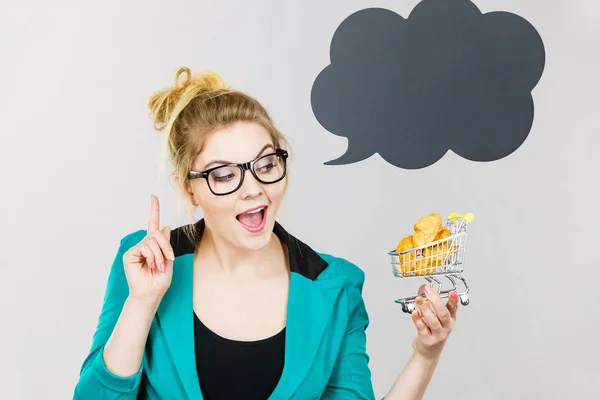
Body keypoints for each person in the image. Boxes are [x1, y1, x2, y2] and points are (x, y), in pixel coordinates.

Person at [73, 67, 460, 400]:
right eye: (224, 174)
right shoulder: (145, 261)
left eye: (266, 163)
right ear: (188, 188)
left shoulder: (334, 285)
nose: (253, 188)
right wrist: (142, 301)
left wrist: (427, 354)